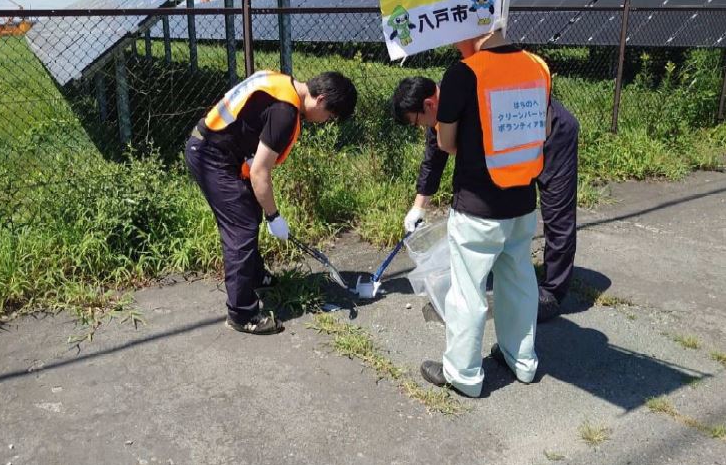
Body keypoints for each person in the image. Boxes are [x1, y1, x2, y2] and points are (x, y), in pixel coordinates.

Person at [391, 28, 551, 397]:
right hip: (523, 201)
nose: (451, 40)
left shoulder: (464, 73)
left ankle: (463, 374)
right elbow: (539, 128)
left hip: (479, 206)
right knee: (519, 282)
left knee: (467, 291)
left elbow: (445, 144)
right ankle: (522, 361)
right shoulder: (536, 65)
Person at [185, 70, 357, 335]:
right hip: (212, 155)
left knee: (249, 211)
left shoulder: (283, 83)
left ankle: (255, 277)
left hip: (219, 149)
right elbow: (259, 172)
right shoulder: (285, 112)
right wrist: (274, 216)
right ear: (321, 100)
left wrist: (265, 211)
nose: (325, 122)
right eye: (329, 116)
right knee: (241, 228)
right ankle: (242, 314)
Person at [398, 77, 578, 323]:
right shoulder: (441, 110)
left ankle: (552, 293)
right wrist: (418, 207)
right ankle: (514, 282)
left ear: (429, 104)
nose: (420, 127)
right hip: (516, 143)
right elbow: (434, 157)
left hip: (551, 135)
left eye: (416, 121)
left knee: (557, 213)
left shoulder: (465, 99)